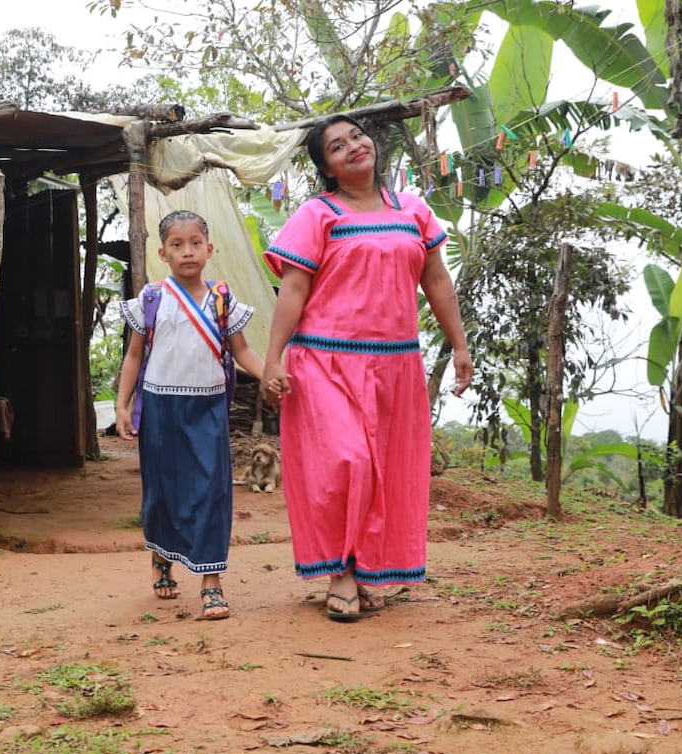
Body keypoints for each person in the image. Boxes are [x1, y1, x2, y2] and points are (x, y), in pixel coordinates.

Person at [260, 114, 473, 622]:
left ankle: (369, 569)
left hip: (395, 365)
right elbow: (292, 290)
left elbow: (437, 281)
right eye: (337, 146)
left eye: (357, 136)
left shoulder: (414, 211)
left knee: (384, 474)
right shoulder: (317, 214)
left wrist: (459, 345)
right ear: (328, 170)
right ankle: (340, 572)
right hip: (323, 361)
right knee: (345, 461)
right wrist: (273, 359)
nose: (353, 146)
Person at [115, 210, 265, 620]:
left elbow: (242, 352)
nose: (187, 252)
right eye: (177, 245)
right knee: (163, 490)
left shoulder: (221, 299)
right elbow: (133, 357)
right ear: (162, 253)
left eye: (195, 243)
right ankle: (162, 556)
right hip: (160, 408)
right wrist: (122, 405)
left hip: (208, 407)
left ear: (209, 249)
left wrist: (272, 372)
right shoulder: (150, 300)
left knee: (212, 490)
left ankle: (211, 582)